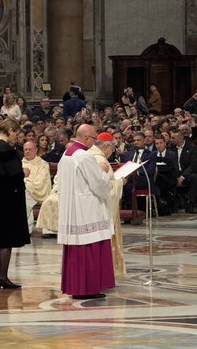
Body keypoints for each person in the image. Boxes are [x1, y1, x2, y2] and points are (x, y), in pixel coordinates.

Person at [57, 124, 114, 299]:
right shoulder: (84, 156)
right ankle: (88, 288)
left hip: (72, 209)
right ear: (87, 138)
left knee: (77, 251)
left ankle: (77, 287)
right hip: (87, 210)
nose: (94, 142)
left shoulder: (66, 155)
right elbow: (98, 185)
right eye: (93, 138)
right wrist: (104, 172)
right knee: (89, 248)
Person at [0, 119, 30, 289]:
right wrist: (23, 172)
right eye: (16, 134)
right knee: (6, 237)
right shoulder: (4, 148)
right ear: (10, 130)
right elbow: (13, 174)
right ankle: (2, 276)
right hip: (7, 197)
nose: (16, 138)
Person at [91, 132, 125, 278]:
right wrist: (120, 182)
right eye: (112, 148)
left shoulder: (89, 156)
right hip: (103, 208)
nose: (112, 151)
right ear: (105, 146)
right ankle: (106, 272)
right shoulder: (100, 160)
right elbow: (106, 188)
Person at [22, 141, 52, 233]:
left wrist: (25, 182)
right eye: (25, 150)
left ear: (36, 150)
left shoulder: (43, 164)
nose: (27, 152)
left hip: (37, 192)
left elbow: (40, 183)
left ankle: (21, 229)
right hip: (23, 190)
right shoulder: (19, 163)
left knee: (23, 199)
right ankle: (26, 229)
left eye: (30, 149)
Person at [168, 127, 197, 213]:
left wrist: (182, 177)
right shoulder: (170, 148)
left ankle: (190, 203)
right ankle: (170, 203)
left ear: (180, 138)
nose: (171, 139)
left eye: (173, 138)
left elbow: (193, 165)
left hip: (186, 173)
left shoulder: (192, 148)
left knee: (194, 177)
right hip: (174, 173)